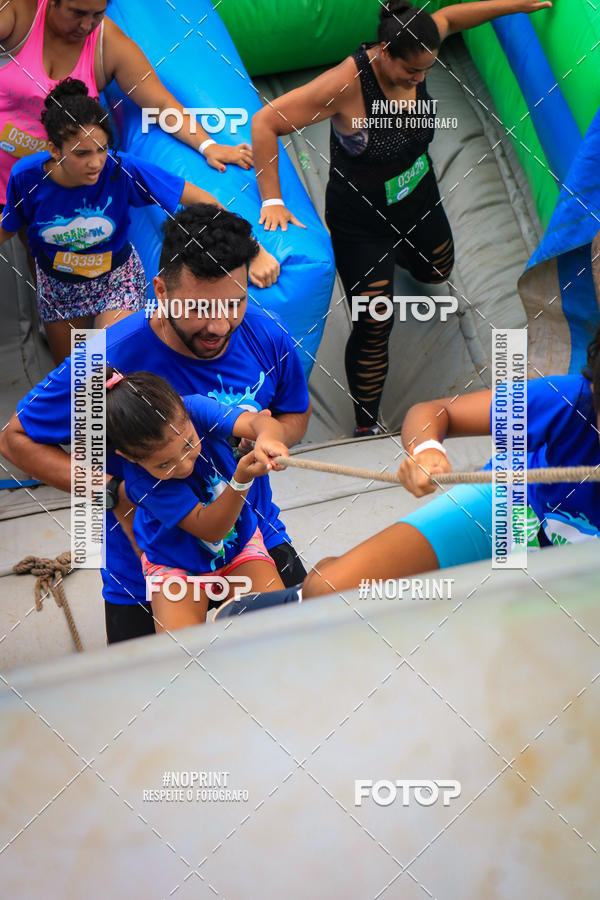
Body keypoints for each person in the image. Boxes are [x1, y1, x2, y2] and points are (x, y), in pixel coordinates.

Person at [0, 203, 311, 644]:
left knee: (302, 651)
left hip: (249, 536)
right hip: (148, 563)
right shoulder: (103, 359)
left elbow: (293, 414)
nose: (221, 325)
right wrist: (111, 489)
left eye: (236, 302)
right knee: (161, 690)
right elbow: (13, 441)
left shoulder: (265, 334)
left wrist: (271, 436)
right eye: (201, 307)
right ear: (161, 290)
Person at [252, 0, 553, 436]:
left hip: (418, 197)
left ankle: (403, 260)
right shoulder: (347, 82)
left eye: (426, 72)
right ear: (386, 52)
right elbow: (265, 122)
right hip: (362, 223)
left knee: (437, 270)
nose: (419, 79)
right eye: (411, 73)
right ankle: (366, 425)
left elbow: (453, 16)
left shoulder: (420, 48)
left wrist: (520, 4)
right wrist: (271, 201)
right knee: (375, 322)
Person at [301, 323, 600, 598]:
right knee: (327, 591)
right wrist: (427, 452)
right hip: (515, 506)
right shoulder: (571, 400)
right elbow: (436, 411)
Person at [0, 79, 279, 364]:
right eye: (82, 153)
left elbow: (201, 199)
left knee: (103, 369)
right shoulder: (27, 177)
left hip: (115, 280)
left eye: (102, 149)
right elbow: (8, 226)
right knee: (74, 378)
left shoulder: (122, 169)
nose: (96, 163)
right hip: (59, 286)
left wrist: (252, 250)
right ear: (55, 150)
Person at [0, 0, 251, 211]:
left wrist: (208, 146)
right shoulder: (19, 13)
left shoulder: (107, 45)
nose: (86, 25)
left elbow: (161, 104)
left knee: (39, 249)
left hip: (57, 181)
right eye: (77, 13)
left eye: (97, 14)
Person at [105, 369, 289, 631]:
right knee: (180, 654)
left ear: (185, 412)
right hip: (174, 563)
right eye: (164, 463)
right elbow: (211, 528)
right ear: (130, 458)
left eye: (189, 444)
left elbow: (261, 423)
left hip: (238, 545)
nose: (183, 466)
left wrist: (266, 439)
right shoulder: (141, 483)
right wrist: (241, 479)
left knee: (280, 626)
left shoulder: (196, 407)